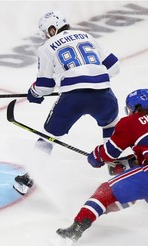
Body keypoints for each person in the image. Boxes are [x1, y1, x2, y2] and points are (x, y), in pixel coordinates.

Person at [13, 10, 120, 195]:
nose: (46, 37)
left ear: (52, 29)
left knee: (48, 136)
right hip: (104, 96)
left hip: (72, 99)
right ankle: (115, 167)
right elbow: (114, 67)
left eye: (46, 33)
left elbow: (45, 86)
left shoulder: (46, 47)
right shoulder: (87, 35)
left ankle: (29, 178)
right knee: (110, 125)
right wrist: (92, 77)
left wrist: (34, 93)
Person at [56, 89, 148, 242]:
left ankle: (76, 229)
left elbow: (109, 152)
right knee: (134, 188)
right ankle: (101, 209)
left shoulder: (131, 122)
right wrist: (126, 164)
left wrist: (95, 157)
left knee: (106, 192)